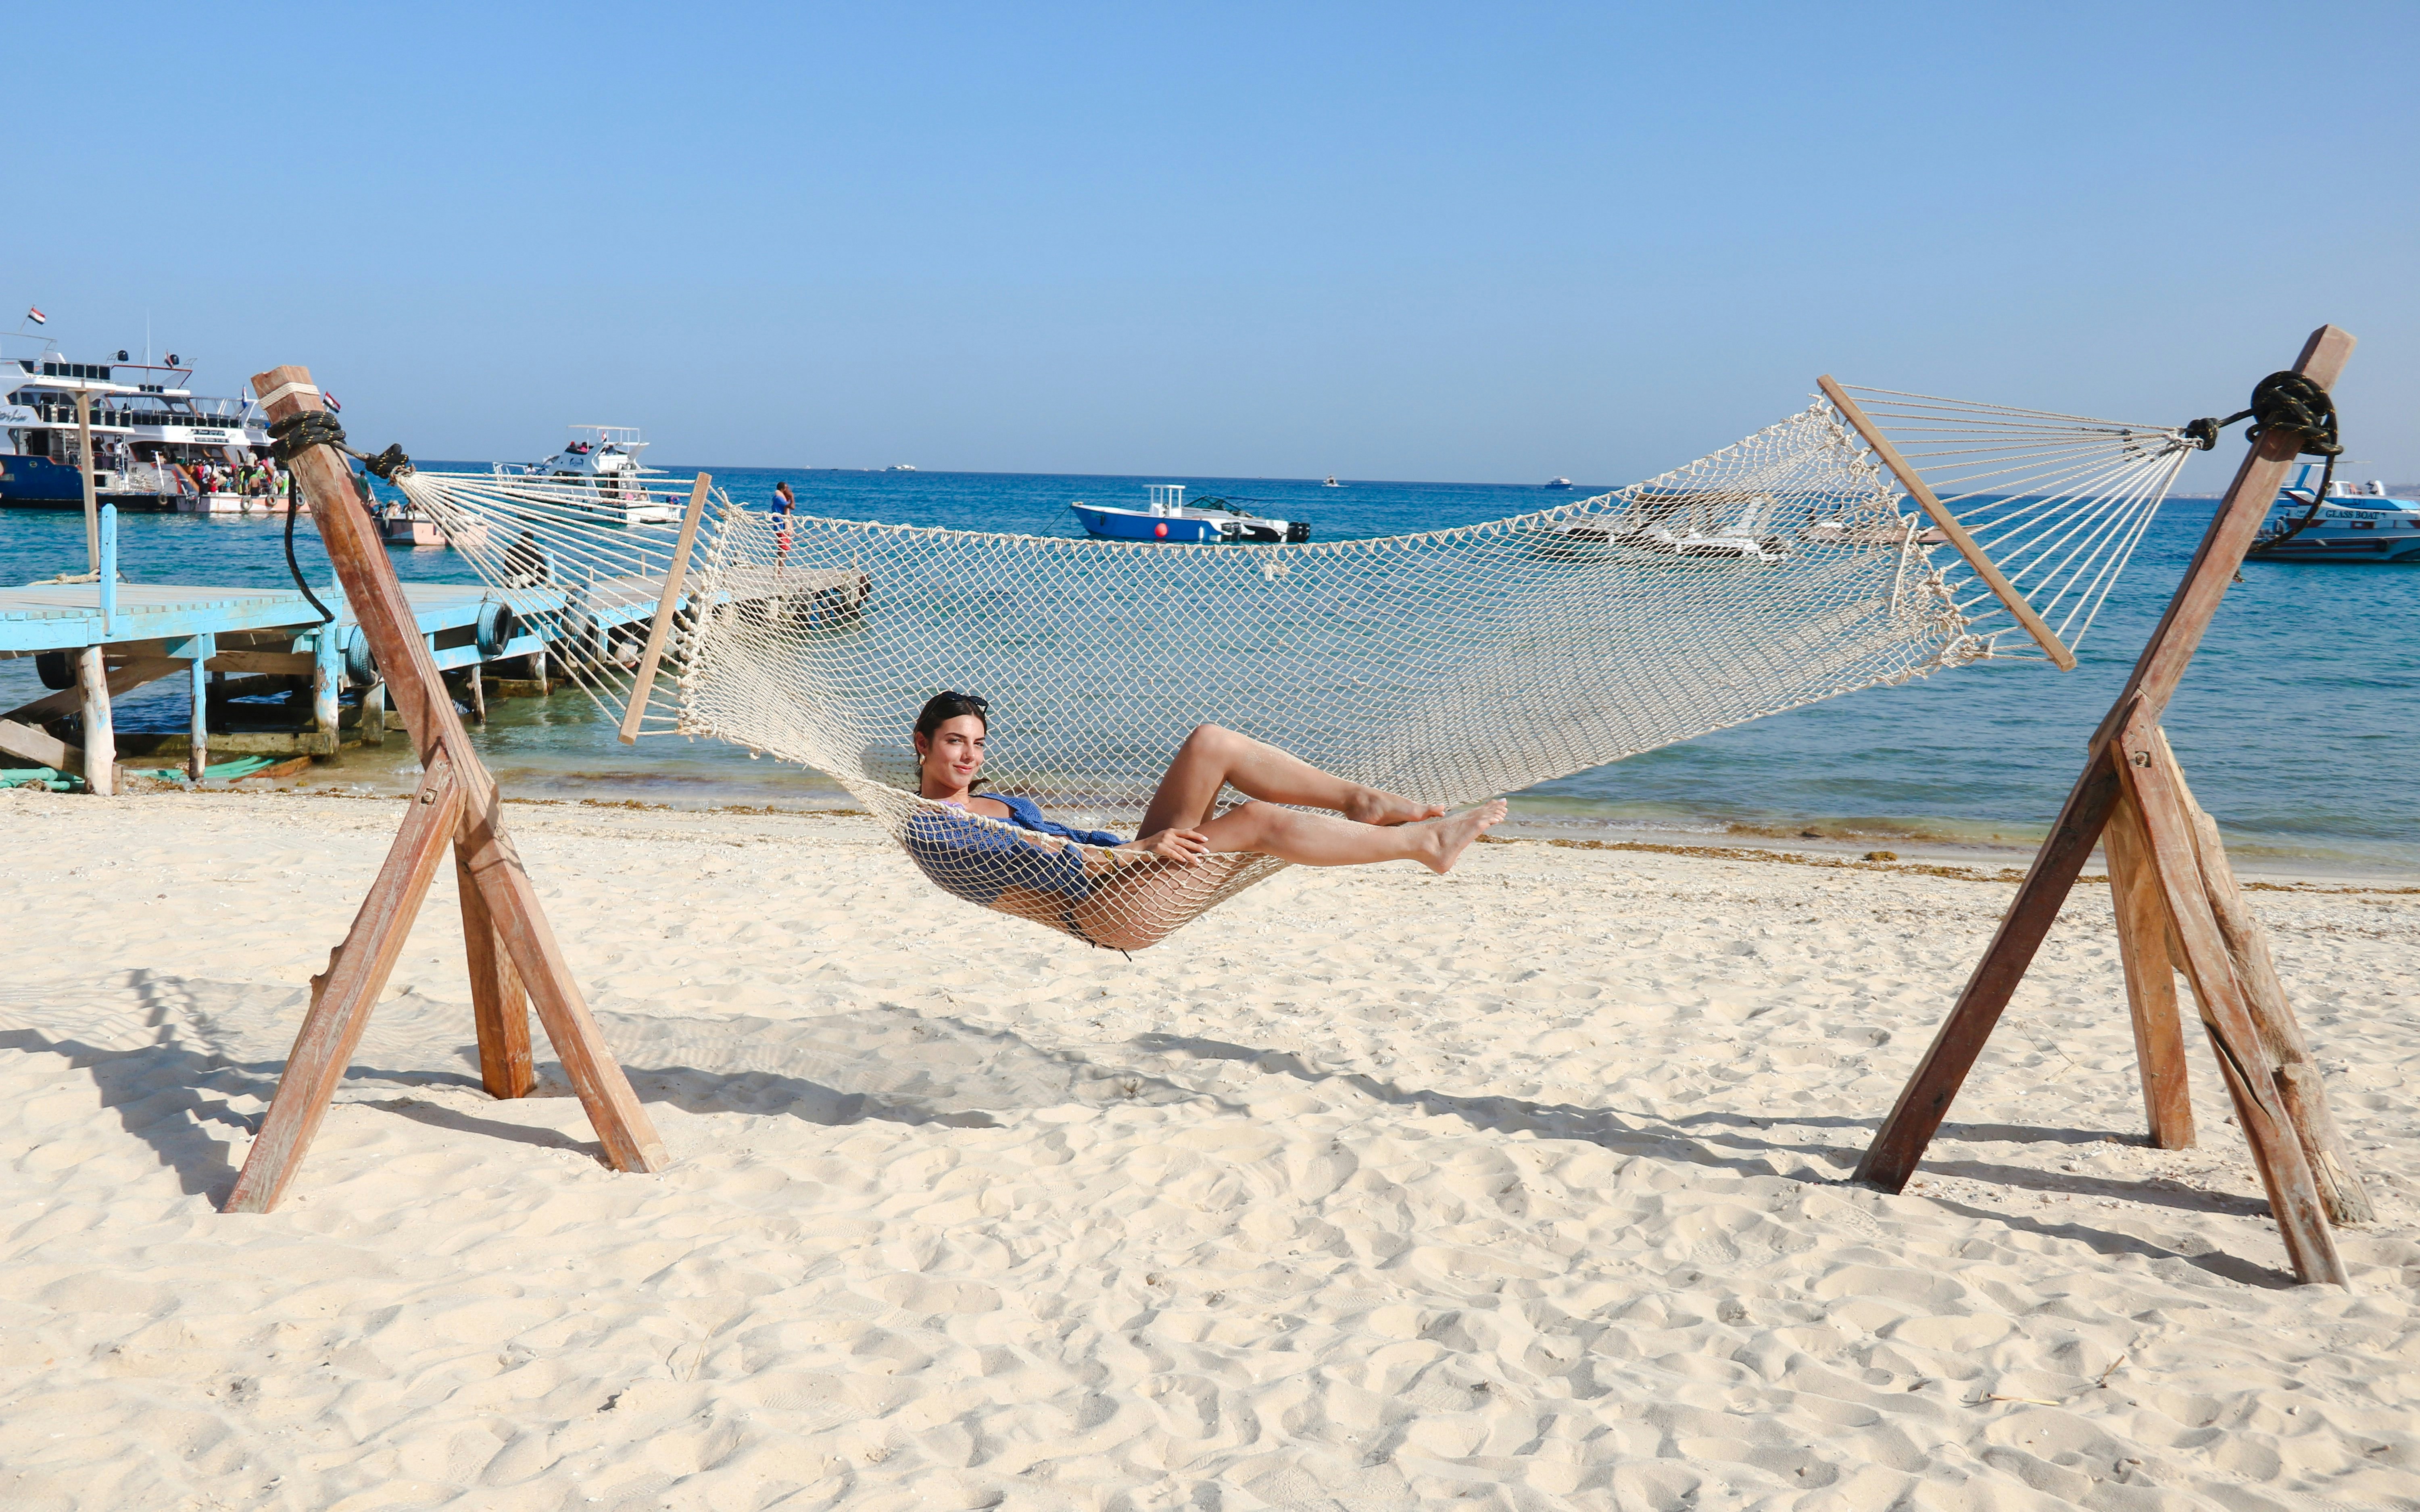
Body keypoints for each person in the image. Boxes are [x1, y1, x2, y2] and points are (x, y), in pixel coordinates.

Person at [903, 690, 1505, 950]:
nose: (969, 756)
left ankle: (1360, 802)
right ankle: (1425, 843)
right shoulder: (929, 828)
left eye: (977, 744)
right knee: (1258, 820)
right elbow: (1051, 864)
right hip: (1106, 909)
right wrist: (1145, 852)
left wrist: (1141, 850)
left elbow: (1075, 848)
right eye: (955, 742)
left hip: (1125, 871)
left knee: (1211, 742)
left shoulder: (992, 802)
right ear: (923, 743)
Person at [771, 480, 795, 570]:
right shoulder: (779, 499)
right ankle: (779, 572)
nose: (788, 490)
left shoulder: (777, 498)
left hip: (779, 526)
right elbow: (792, 507)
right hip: (781, 527)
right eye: (787, 489)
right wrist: (792, 497)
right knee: (783, 549)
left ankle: (779, 571)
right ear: (782, 490)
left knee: (782, 549)